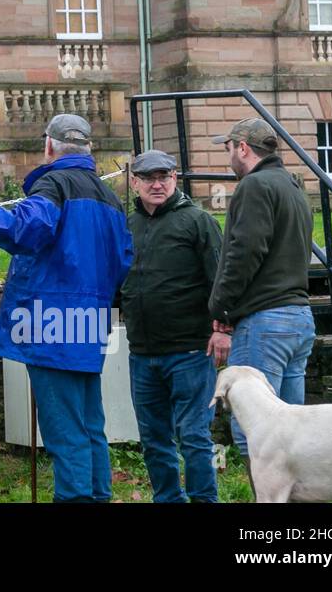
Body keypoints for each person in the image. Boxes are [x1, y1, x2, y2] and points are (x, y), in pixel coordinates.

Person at [0, 114, 133, 502]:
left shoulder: (54, 184)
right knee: (89, 428)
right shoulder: (110, 198)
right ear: (89, 149)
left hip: (50, 326)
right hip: (90, 323)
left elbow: (22, 229)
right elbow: (124, 262)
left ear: (49, 147)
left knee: (66, 434)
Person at [206, 117, 314, 474]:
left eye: (228, 147)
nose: (228, 156)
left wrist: (220, 305)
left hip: (264, 321)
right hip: (298, 319)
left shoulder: (254, 186)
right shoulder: (292, 185)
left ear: (243, 147)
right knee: (292, 433)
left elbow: (243, 253)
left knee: (255, 435)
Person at [121, 149, 222, 503]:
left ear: (175, 179)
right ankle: (167, 499)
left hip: (191, 351)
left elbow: (219, 279)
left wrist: (221, 327)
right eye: (148, 178)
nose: (157, 184)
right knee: (153, 439)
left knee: (194, 437)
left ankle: (204, 499)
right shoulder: (127, 224)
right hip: (142, 352)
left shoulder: (197, 221)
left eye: (164, 177)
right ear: (135, 182)